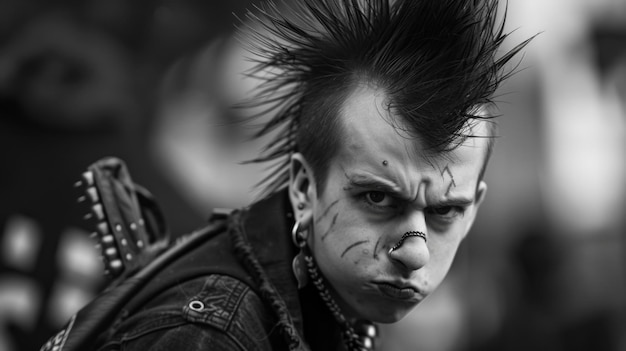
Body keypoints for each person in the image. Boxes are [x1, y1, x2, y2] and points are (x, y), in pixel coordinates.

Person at [42, 0, 532, 350]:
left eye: (446, 211)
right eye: (378, 200)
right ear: (302, 188)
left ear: (476, 208)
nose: (415, 250)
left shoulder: (331, 312)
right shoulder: (211, 335)